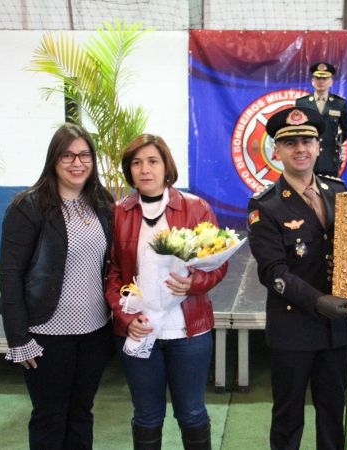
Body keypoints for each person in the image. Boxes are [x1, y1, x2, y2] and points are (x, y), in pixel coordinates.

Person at [0, 123, 114, 449]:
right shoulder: (28, 207)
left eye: (84, 155)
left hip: (94, 333)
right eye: (67, 155)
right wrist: (19, 338)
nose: (77, 163)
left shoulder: (102, 204)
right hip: (47, 335)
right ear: (54, 160)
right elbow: (10, 275)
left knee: (81, 413)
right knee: (50, 416)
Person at [105, 134, 227, 450]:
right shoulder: (118, 212)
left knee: (191, 413)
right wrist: (124, 316)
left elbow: (218, 264)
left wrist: (194, 283)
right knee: (147, 416)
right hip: (139, 331)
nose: (145, 169)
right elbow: (112, 274)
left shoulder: (196, 207)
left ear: (165, 165)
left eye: (152, 161)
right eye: (136, 162)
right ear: (129, 170)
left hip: (190, 333)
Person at [247, 106, 347, 450]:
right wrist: (319, 301)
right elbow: (272, 272)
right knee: (288, 417)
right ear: (276, 152)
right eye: (290, 142)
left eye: (307, 140)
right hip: (293, 328)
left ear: (319, 146)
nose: (300, 148)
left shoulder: (340, 193)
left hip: (337, 329)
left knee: (332, 415)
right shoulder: (265, 205)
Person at [296, 62, 347, 177]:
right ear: (312, 81)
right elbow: (297, 130)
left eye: (325, 78)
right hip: (306, 158)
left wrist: (332, 142)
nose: (321, 81)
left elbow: (346, 130)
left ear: (331, 82)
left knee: (330, 192)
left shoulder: (340, 104)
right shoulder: (302, 103)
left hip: (330, 158)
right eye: (318, 78)